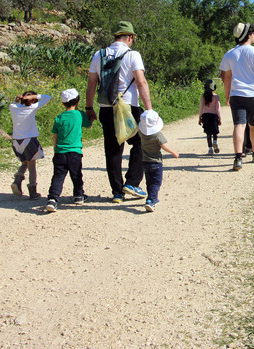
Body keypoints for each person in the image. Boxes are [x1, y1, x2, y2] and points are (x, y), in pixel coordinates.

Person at [85, 21, 154, 203]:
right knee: (141, 142)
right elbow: (141, 82)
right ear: (130, 37)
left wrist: (89, 108)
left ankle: (117, 192)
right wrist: (149, 109)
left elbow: (92, 84)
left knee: (113, 150)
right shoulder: (133, 55)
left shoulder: (98, 55)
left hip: (106, 107)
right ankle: (132, 182)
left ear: (116, 36)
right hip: (129, 106)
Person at [219, 22, 254, 171]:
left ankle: (238, 158)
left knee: (239, 125)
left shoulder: (229, 54)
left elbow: (226, 78)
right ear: (249, 35)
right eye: (253, 34)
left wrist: (227, 95)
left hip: (236, 95)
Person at [44, 88, 94, 213]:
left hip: (60, 152)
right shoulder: (80, 115)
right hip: (75, 152)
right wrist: (92, 118)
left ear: (62, 103)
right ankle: (79, 195)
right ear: (77, 101)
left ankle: (53, 199)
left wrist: (55, 149)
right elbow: (89, 126)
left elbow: (55, 135)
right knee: (76, 174)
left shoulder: (59, 117)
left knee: (58, 176)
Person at [9, 90, 51, 199]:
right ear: (33, 100)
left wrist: (18, 99)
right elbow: (47, 97)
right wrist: (35, 96)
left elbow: (15, 103)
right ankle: (33, 192)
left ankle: (17, 181)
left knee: (24, 163)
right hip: (29, 140)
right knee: (32, 166)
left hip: (16, 141)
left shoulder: (13, 107)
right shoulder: (32, 108)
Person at [137, 109, 179, 212]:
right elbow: (163, 146)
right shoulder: (157, 135)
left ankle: (151, 197)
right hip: (156, 162)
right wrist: (174, 152)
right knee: (156, 182)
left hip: (145, 162)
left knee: (149, 181)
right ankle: (151, 200)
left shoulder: (141, 134)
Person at [198, 79, 222, 155]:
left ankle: (210, 149)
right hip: (214, 116)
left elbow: (201, 108)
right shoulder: (216, 97)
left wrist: (200, 118)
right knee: (215, 132)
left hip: (206, 116)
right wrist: (220, 118)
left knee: (208, 133)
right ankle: (215, 142)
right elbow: (218, 109)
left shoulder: (203, 97)